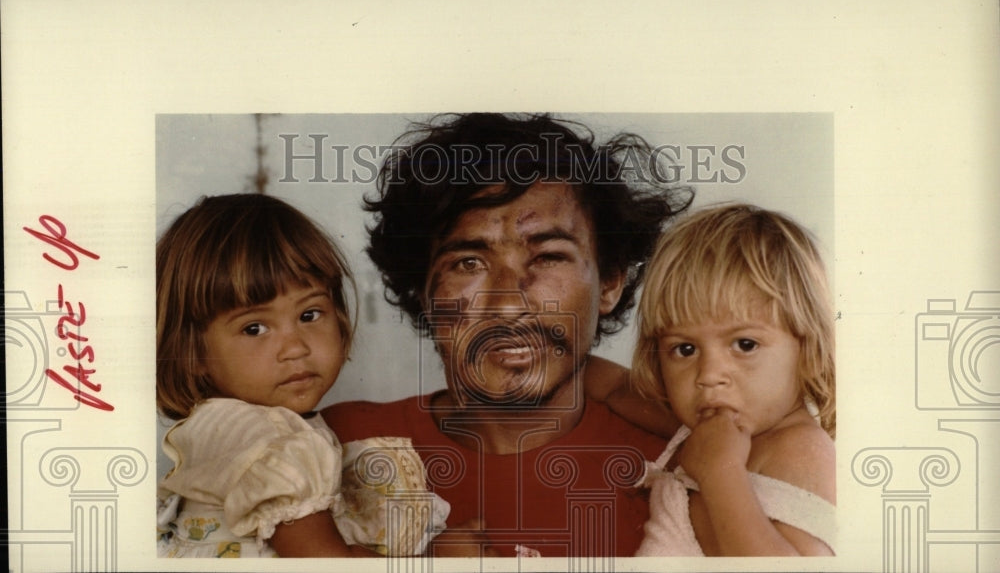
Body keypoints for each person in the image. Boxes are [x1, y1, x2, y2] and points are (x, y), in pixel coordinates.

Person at [321, 113, 693, 558]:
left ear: (610, 282)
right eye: (468, 264)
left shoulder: (681, 470)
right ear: (421, 291)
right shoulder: (335, 449)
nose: (507, 305)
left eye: (549, 257)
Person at [154, 193, 448, 558]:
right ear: (191, 351)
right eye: (255, 328)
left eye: (309, 315)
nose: (295, 348)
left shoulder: (238, 428)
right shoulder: (264, 438)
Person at [630, 203, 836, 556]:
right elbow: (614, 388)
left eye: (745, 344)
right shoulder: (704, 428)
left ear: (809, 352)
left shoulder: (802, 450)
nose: (709, 376)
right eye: (685, 349)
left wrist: (721, 474)